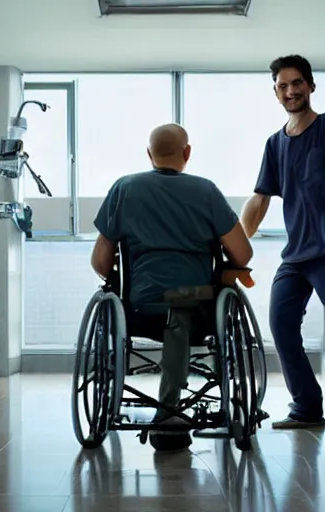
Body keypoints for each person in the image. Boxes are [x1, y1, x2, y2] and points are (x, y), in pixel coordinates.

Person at [91, 123, 253, 450]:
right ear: (187, 153)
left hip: (138, 307)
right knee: (188, 305)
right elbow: (243, 253)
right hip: (198, 304)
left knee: (170, 307)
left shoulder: (124, 188)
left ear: (149, 155)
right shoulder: (206, 191)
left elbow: (101, 264)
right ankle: (176, 404)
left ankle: (167, 407)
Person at [241, 55, 325, 429]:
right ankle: (307, 408)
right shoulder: (275, 144)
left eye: (297, 83)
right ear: (276, 93)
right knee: (281, 324)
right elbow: (260, 199)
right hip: (297, 256)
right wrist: (236, 247)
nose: (291, 91)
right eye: (283, 86)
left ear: (311, 86)